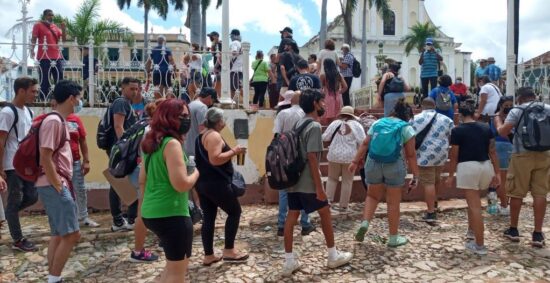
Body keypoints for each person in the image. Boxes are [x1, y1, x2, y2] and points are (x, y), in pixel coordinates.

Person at [282, 89, 353, 276]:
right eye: (322, 101)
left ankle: (289, 261)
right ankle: (332, 255)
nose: (325, 104)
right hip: (308, 183)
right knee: (325, 214)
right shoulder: (313, 126)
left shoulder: (298, 124)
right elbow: (313, 158)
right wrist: (320, 187)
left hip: (294, 182)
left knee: (291, 217)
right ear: (314, 103)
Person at [139, 98, 198, 281]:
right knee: (176, 274)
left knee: (172, 267)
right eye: (183, 116)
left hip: (152, 212)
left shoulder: (151, 143)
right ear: (170, 118)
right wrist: (196, 173)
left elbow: (142, 180)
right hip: (172, 214)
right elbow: (181, 184)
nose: (187, 120)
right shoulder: (171, 144)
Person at [350, 98, 419, 247]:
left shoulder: (377, 123)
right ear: (407, 116)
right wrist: (416, 175)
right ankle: (393, 238)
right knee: (393, 203)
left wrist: (355, 161)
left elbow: (365, 143)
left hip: (373, 163)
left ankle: (365, 223)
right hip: (394, 165)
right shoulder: (406, 128)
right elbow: (411, 155)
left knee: (372, 196)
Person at [37, 80, 82, 283]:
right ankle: (54, 278)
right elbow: (45, 156)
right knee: (72, 235)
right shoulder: (54, 121)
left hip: (54, 182)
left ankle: (52, 276)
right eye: (79, 98)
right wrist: (58, 185)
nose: (80, 102)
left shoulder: (58, 120)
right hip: (54, 183)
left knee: (58, 234)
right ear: (72, 98)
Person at [497, 87, 550, 248]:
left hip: (522, 155)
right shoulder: (548, 108)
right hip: (545, 154)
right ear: (534, 96)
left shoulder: (517, 110)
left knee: (517, 193)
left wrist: (498, 120)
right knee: (540, 194)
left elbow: (503, 132)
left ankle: (513, 229)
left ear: (519, 98)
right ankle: (538, 233)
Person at [446, 99, 500, 255]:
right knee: (473, 203)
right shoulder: (485, 128)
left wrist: (450, 175)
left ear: (461, 115)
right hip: (485, 166)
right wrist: (497, 173)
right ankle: (471, 231)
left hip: (467, 167)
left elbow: (454, 156)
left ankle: (480, 245)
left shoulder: (457, 131)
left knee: (474, 206)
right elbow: (493, 151)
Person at [195, 107, 249, 265]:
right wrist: (234, 151)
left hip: (203, 183)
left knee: (209, 218)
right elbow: (215, 159)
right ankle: (229, 250)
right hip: (217, 183)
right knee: (234, 212)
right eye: (223, 119)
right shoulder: (214, 136)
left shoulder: (202, 135)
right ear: (218, 121)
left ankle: (209, 255)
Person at [41, 98, 100, 228]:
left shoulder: (75, 119)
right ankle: (63, 220)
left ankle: (83, 217)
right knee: (60, 191)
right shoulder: (50, 120)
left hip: (75, 161)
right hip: (57, 165)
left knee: (80, 189)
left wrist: (87, 160)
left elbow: (83, 141)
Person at [0, 77, 38, 251]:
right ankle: (17, 240)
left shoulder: (28, 112)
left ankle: (9, 214)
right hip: (11, 164)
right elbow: (1, 142)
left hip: (25, 164)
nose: (35, 95)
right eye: (33, 91)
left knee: (32, 196)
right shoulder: (8, 112)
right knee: (15, 200)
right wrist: (0, 169)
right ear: (21, 91)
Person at [272, 90, 315, 237]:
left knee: (284, 191)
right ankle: (305, 223)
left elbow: (276, 135)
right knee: (303, 189)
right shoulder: (306, 115)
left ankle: (282, 225)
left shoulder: (283, 114)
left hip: (284, 155)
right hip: (301, 156)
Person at [411, 98, 454, 222]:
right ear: (434, 105)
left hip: (424, 155)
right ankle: (434, 204)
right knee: (436, 180)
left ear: (421, 106)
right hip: (441, 155)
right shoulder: (446, 119)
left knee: (428, 183)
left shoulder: (415, 119)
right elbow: (452, 136)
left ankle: (430, 213)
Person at [107, 77, 139, 231]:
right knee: (118, 184)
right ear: (123, 88)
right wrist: (126, 150)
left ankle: (127, 218)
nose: (135, 91)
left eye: (136, 89)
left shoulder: (127, 104)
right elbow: (118, 127)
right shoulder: (121, 103)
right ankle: (119, 220)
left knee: (125, 183)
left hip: (123, 149)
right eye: (131, 88)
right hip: (121, 150)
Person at [322, 106, 365, 212]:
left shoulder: (334, 123)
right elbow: (363, 141)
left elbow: (325, 137)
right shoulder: (357, 125)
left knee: (332, 178)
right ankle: (344, 205)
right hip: (350, 157)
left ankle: (328, 202)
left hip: (334, 155)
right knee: (347, 181)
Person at [30, 9, 66, 101]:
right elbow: (34, 38)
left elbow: (63, 40)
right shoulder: (38, 25)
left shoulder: (55, 27)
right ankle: (43, 99)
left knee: (60, 79)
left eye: (52, 15)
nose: (51, 17)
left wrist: (64, 28)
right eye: (49, 15)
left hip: (57, 57)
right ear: (45, 16)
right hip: (44, 57)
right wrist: (32, 50)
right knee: (45, 79)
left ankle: (59, 98)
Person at [490, 96, 513, 216]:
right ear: (501, 105)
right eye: (506, 106)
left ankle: (504, 204)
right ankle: (504, 205)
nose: (509, 108)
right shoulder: (497, 117)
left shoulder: (512, 117)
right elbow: (501, 132)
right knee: (502, 179)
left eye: (511, 106)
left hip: (508, 147)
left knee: (506, 179)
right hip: (500, 146)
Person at [184, 87, 217, 157]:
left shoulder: (191, 104)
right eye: (213, 101)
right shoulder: (202, 107)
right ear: (209, 97)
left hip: (187, 147)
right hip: (196, 150)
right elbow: (203, 130)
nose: (211, 104)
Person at [320, 58, 347, 124]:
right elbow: (345, 87)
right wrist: (339, 92)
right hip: (337, 97)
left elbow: (320, 88)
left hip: (327, 97)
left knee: (326, 118)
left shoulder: (323, 75)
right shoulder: (339, 75)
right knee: (336, 117)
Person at [207, 31, 222, 97]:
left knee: (217, 83)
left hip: (220, 66)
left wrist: (216, 66)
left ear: (216, 36)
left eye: (211, 36)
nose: (210, 38)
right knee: (216, 83)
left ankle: (218, 97)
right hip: (217, 66)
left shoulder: (220, 43)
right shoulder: (215, 44)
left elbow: (220, 55)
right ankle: (218, 97)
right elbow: (213, 54)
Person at [229, 29, 243, 99]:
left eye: (231, 36)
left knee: (233, 88)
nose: (230, 37)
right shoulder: (241, 44)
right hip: (240, 69)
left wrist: (227, 57)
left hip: (234, 69)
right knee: (239, 87)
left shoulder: (234, 43)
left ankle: (232, 103)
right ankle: (247, 101)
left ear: (234, 35)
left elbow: (234, 52)